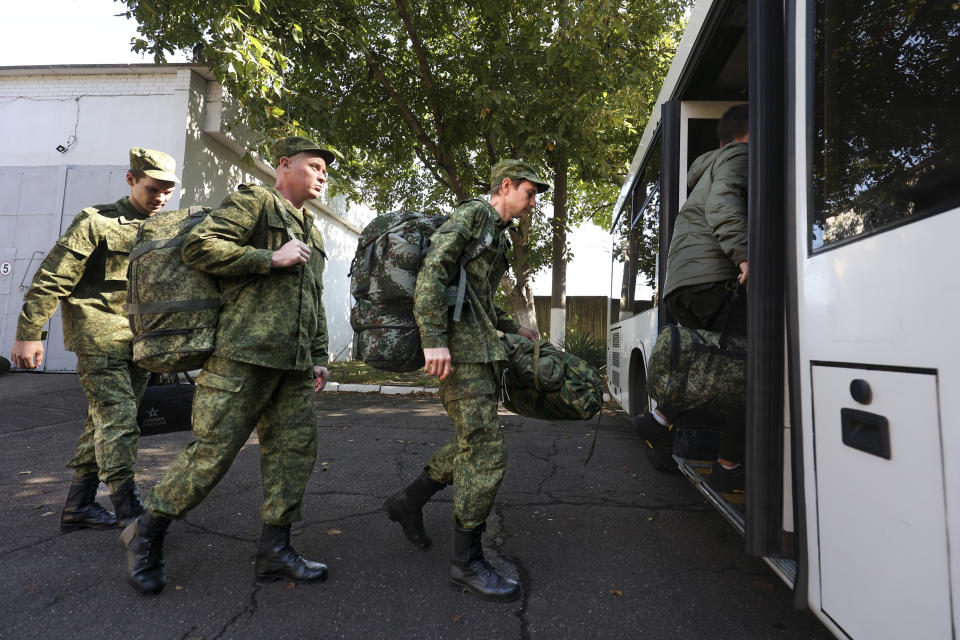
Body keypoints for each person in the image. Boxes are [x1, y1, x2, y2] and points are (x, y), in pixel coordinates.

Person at [120, 136, 333, 595]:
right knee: (212, 454)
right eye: (314, 166)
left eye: (324, 170)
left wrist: (317, 356)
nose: (322, 176)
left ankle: (275, 550)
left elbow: (310, 298)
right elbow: (199, 247)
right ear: (285, 166)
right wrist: (268, 257)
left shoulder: (310, 229)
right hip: (241, 356)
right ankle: (146, 532)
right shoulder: (254, 202)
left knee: (293, 457)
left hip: (292, 367)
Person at [383, 159, 548, 602]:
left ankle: (409, 501)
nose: (534, 203)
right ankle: (466, 563)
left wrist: (516, 329)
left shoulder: (497, 233)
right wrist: (433, 339)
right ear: (507, 185)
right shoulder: (473, 214)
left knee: (473, 442)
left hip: (480, 350)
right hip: (458, 354)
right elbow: (433, 271)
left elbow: (476, 299)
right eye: (531, 193)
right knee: (488, 450)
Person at [10, 148, 178, 531]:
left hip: (140, 340)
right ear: (131, 179)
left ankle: (78, 507)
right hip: (98, 336)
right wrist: (29, 334)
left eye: (168, 191)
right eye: (154, 189)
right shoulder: (95, 221)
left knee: (102, 422)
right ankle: (130, 511)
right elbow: (52, 278)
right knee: (119, 420)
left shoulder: (162, 227)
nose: (161, 198)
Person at [639, 103, 749, 493]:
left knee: (705, 364)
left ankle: (657, 421)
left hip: (682, 284)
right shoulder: (741, 155)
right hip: (711, 279)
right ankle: (728, 465)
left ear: (718, 139)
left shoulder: (708, 168)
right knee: (748, 369)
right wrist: (745, 255)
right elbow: (724, 206)